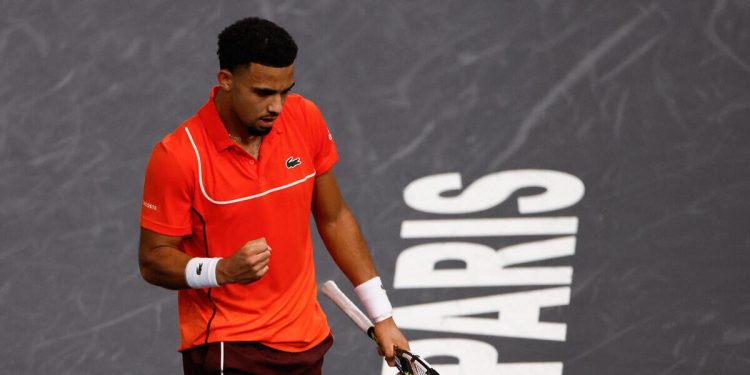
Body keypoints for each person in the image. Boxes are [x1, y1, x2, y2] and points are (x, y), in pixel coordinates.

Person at [138, 16, 409, 374]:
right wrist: (220, 270)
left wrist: (383, 316)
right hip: (229, 347)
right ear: (226, 81)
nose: (277, 106)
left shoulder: (304, 118)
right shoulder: (179, 156)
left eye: (285, 91)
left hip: (305, 340)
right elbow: (153, 259)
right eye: (264, 93)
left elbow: (334, 217)